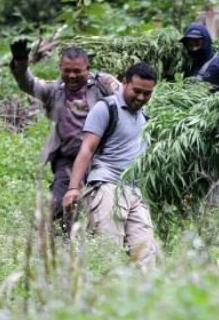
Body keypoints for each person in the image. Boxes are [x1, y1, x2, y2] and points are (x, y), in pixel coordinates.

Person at [9, 41, 119, 229]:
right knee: (58, 208)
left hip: (101, 160)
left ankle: (95, 245)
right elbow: (28, 83)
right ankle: (61, 246)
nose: (72, 75)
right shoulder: (55, 90)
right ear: (60, 68)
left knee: (101, 210)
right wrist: (21, 61)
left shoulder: (103, 85)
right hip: (67, 160)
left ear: (88, 68)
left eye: (78, 71)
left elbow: (126, 99)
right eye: (67, 70)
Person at [62, 62, 161, 268]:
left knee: (147, 257)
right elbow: (87, 149)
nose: (141, 97)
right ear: (124, 83)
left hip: (135, 191)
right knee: (108, 252)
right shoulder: (106, 108)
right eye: (137, 91)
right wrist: (72, 188)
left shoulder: (145, 118)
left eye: (147, 93)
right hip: (107, 186)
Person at [181, 23, 219, 90]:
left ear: (206, 42)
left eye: (197, 43)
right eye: (190, 45)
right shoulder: (189, 67)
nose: (193, 49)